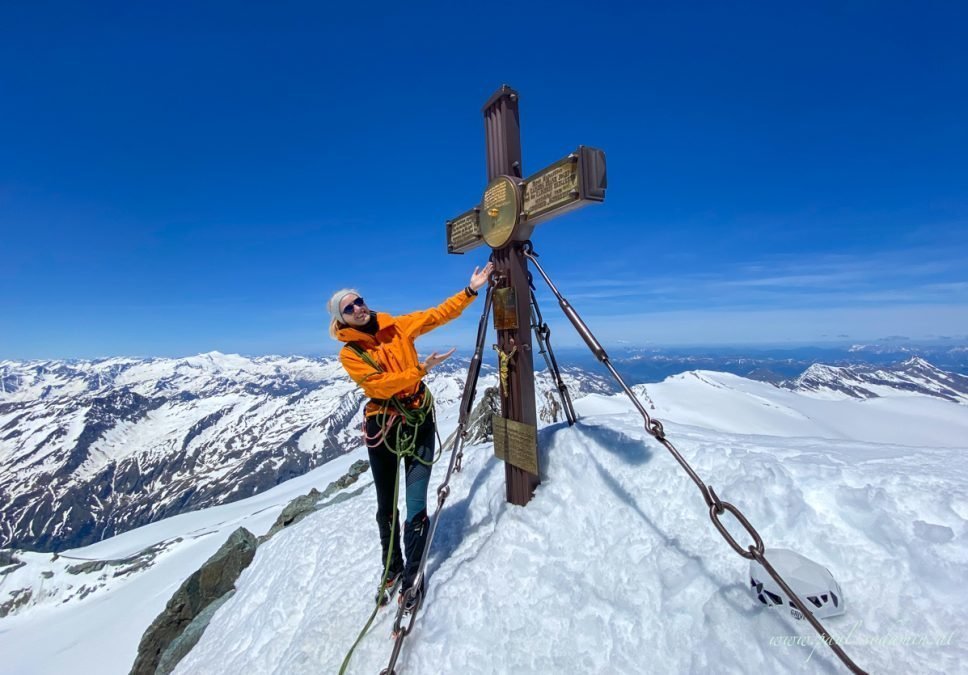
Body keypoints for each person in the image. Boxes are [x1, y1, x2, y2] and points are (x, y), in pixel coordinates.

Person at [327, 262, 493, 603]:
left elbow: (436, 315)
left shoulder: (397, 326)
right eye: (349, 307)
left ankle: (412, 573)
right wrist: (420, 370)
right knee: (386, 505)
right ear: (340, 318)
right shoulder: (350, 353)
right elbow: (378, 385)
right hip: (383, 426)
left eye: (359, 301)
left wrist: (470, 290)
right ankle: (392, 569)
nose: (358, 308)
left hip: (417, 420)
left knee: (415, 503)